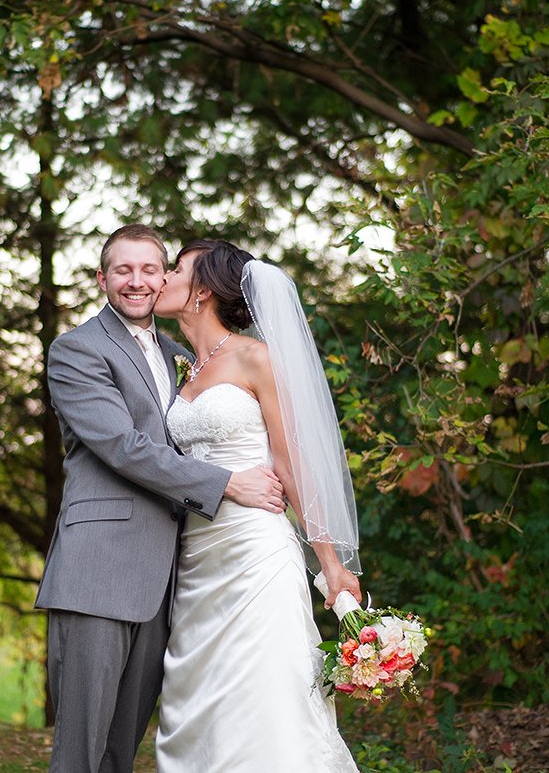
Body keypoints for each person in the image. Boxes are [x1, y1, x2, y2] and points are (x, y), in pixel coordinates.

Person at [34, 224, 287, 773]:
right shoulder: (76, 350)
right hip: (98, 571)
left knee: (121, 750)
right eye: (122, 270)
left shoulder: (183, 357)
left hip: (170, 580)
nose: (137, 281)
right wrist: (223, 483)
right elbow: (122, 446)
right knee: (80, 751)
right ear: (102, 278)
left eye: (150, 269)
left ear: (166, 276)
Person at [153, 239, 364, 772]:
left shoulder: (254, 356)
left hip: (256, 553)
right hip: (196, 558)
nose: (161, 277)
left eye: (174, 269)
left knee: (264, 700)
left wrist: (331, 565)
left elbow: (293, 467)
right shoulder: (181, 367)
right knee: (203, 701)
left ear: (201, 291)